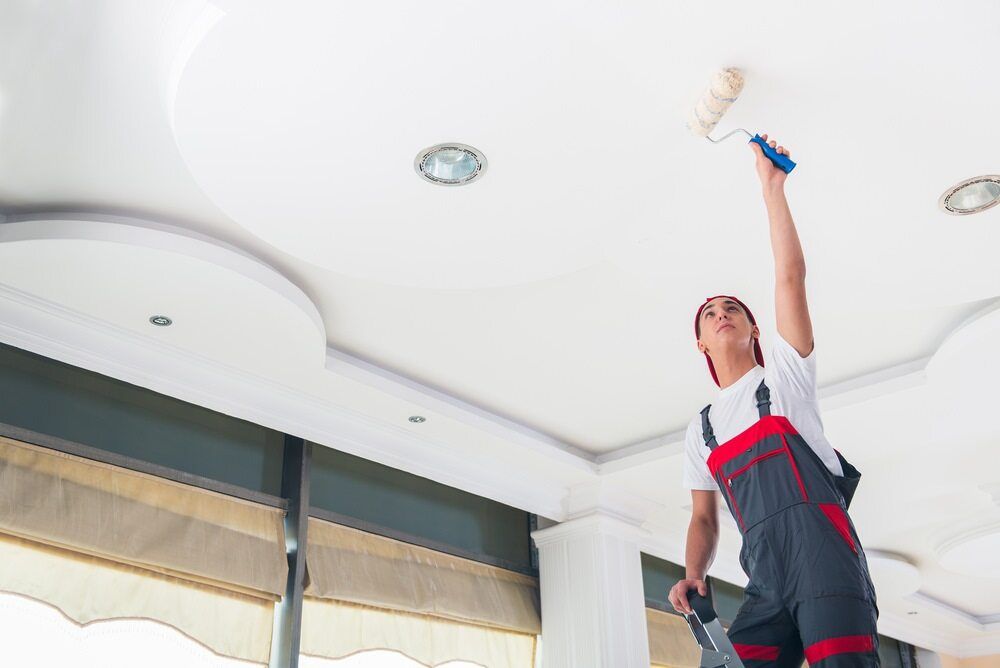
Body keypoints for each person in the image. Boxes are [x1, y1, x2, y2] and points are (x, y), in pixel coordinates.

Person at [668, 136, 880, 666]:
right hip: (765, 582)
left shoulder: (785, 377)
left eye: (732, 308)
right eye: (710, 313)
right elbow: (703, 518)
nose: (721, 313)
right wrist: (694, 573)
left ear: (754, 327)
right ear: (701, 343)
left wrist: (772, 189)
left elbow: (790, 277)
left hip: (828, 566)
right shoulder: (702, 430)